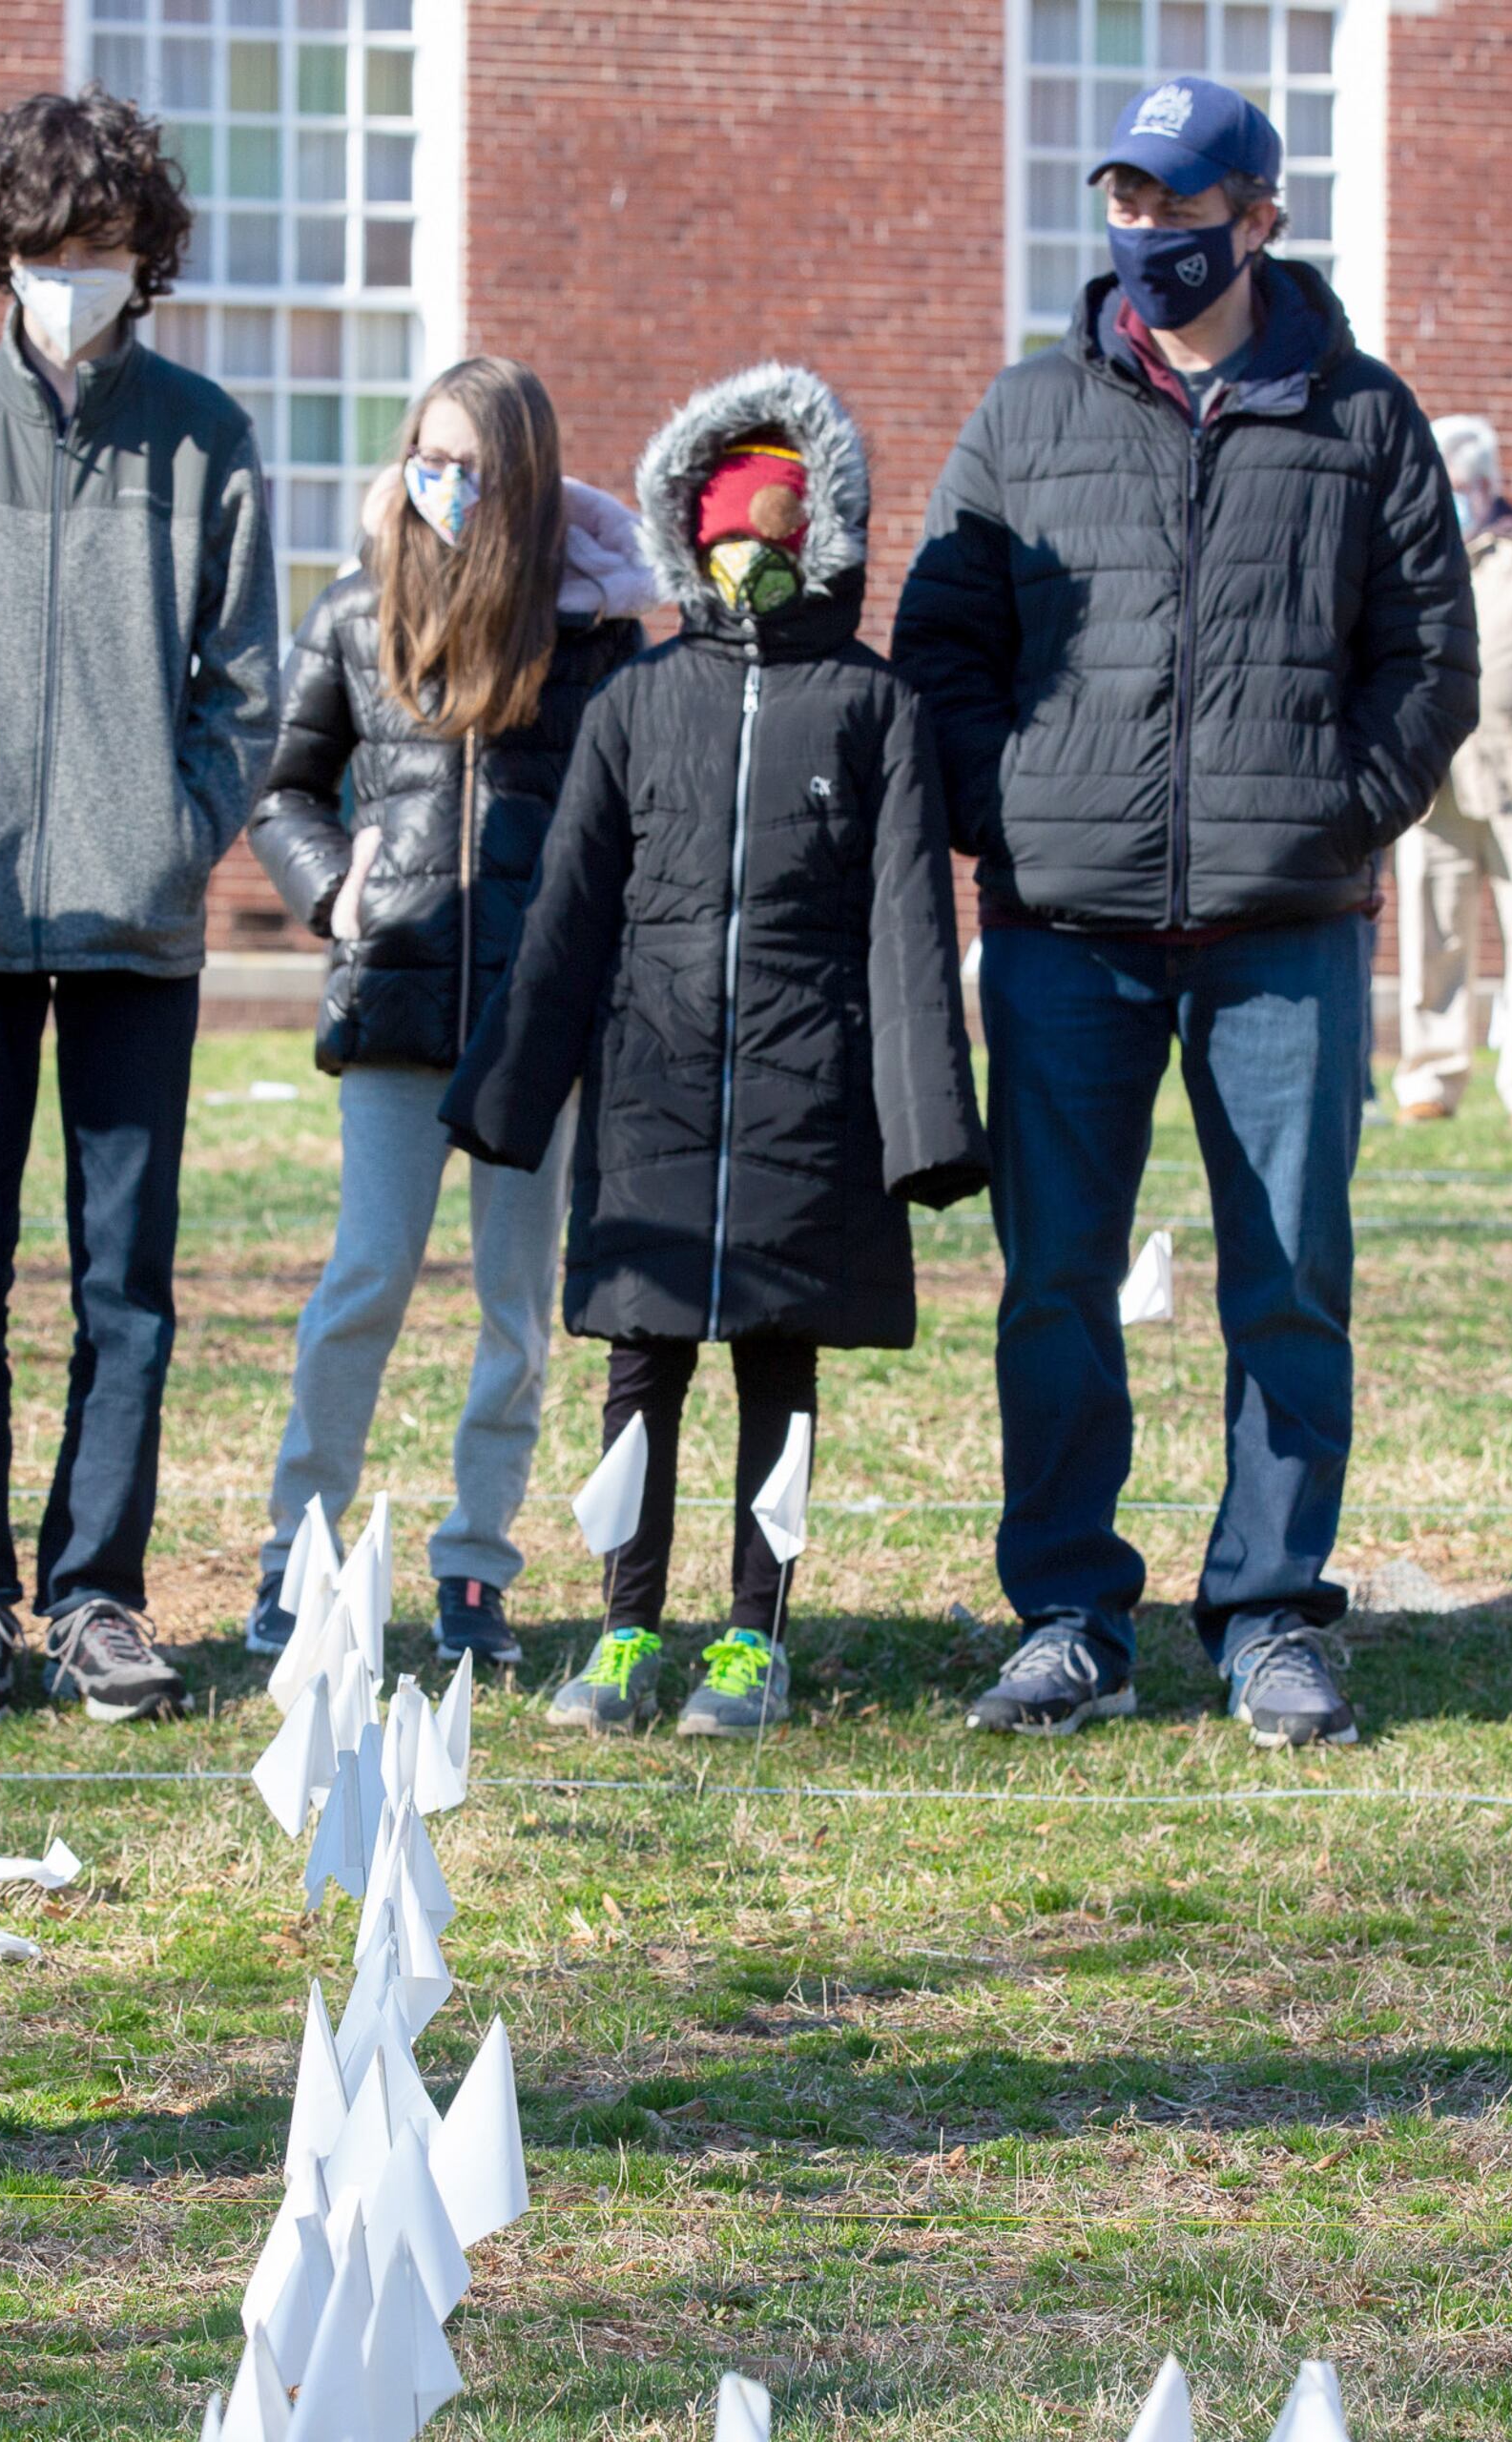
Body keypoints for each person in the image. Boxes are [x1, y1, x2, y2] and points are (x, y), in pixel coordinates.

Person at [893, 75, 1476, 1746]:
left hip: (1281, 933)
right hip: (1066, 933)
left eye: (1180, 204)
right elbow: (946, 647)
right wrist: (1020, 819)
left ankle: (1272, 1609)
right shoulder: (1027, 417)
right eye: (1128, 204)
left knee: (1287, 1280)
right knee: (1054, 1282)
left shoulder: (1363, 419)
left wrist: (1326, 818)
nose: (1149, 234)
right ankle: (1071, 1610)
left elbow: (1428, 664)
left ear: (1260, 217)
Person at [445, 363, 987, 1739]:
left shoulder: (877, 711)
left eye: (775, 535)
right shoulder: (639, 701)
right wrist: (511, 1090)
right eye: (729, 534)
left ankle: (754, 1637)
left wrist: (926, 1125)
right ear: (691, 537)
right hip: (653, 1099)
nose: (749, 558)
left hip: (810, 1110)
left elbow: (909, 925)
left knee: (777, 1366)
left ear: (819, 543)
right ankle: (624, 1628)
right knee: (641, 1367)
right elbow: (570, 906)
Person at [0, 90, 277, 1730]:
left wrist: (172, 840)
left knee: (126, 1289)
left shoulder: (206, 436)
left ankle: (98, 1593)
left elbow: (242, 691)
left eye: (96, 251)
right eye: (40, 252)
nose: (67, 279)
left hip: (132, 934)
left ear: (144, 257)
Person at [239, 360, 655, 1668]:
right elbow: (283, 790)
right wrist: (336, 897)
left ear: (523, 478)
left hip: (536, 1031)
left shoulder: (590, 634)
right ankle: (295, 1557)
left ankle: (476, 1566)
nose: (447, 486)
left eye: (474, 466)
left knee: (516, 1308)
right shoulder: (356, 615)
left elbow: (629, 824)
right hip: (398, 1007)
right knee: (362, 1282)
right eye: (429, 456)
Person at [1393, 415, 1512, 1127]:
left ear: (1490, 483)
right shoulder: (1413, 552)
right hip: (1434, 782)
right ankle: (1431, 1077)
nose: (1456, 496)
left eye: (1466, 484)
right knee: (1433, 934)